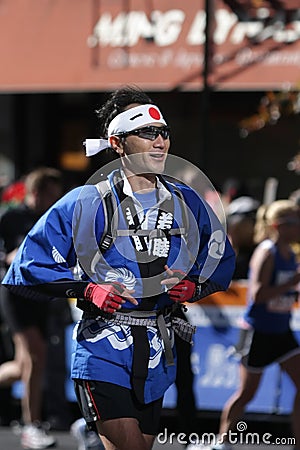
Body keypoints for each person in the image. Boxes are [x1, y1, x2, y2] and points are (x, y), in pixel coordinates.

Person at [2, 85, 235, 450]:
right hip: (103, 346)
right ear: (117, 143)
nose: (160, 142)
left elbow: (220, 255)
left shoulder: (185, 200)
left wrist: (195, 286)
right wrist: (87, 289)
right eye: (147, 133)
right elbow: (29, 264)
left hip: (158, 349)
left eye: (163, 133)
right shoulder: (86, 201)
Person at [187, 199, 300, 450]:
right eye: (293, 222)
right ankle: (222, 441)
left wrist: (292, 291)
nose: (298, 228)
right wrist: (291, 282)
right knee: (246, 393)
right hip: (259, 332)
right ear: (278, 226)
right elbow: (258, 295)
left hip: (282, 331)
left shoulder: (290, 253)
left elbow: (284, 293)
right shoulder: (266, 252)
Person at [0, 167, 68, 449]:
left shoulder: (51, 220)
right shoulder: (11, 217)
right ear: (37, 193)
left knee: (23, 365)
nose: (55, 201)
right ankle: (31, 425)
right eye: (51, 195)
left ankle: (32, 424)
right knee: (36, 355)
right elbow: (5, 254)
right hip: (13, 293)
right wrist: (12, 256)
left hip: (39, 296)